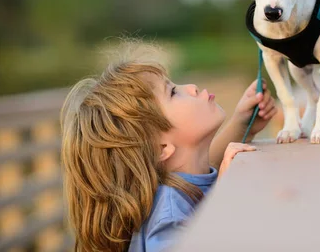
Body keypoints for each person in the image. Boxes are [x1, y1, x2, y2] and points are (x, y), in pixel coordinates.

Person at [61, 42, 277, 252]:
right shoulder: (169, 213)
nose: (191, 88)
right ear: (162, 148)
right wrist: (223, 199)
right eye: (173, 92)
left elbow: (206, 164)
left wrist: (241, 124)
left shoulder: (183, 183)